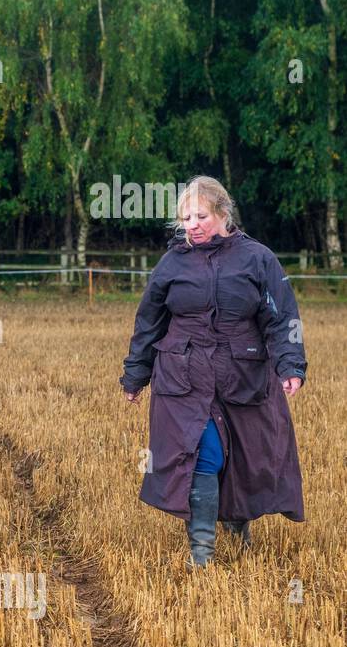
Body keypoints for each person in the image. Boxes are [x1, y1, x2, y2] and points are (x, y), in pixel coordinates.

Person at [120, 176, 306, 567]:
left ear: (223, 213)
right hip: (184, 380)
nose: (192, 225)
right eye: (185, 218)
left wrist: (290, 364)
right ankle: (201, 551)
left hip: (245, 377)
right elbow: (149, 323)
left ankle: (238, 523)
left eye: (200, 216)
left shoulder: (258, 259)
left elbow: (282, 317)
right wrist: (136, 375)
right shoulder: (171, 263)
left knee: (242, 456)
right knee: (202, 454)